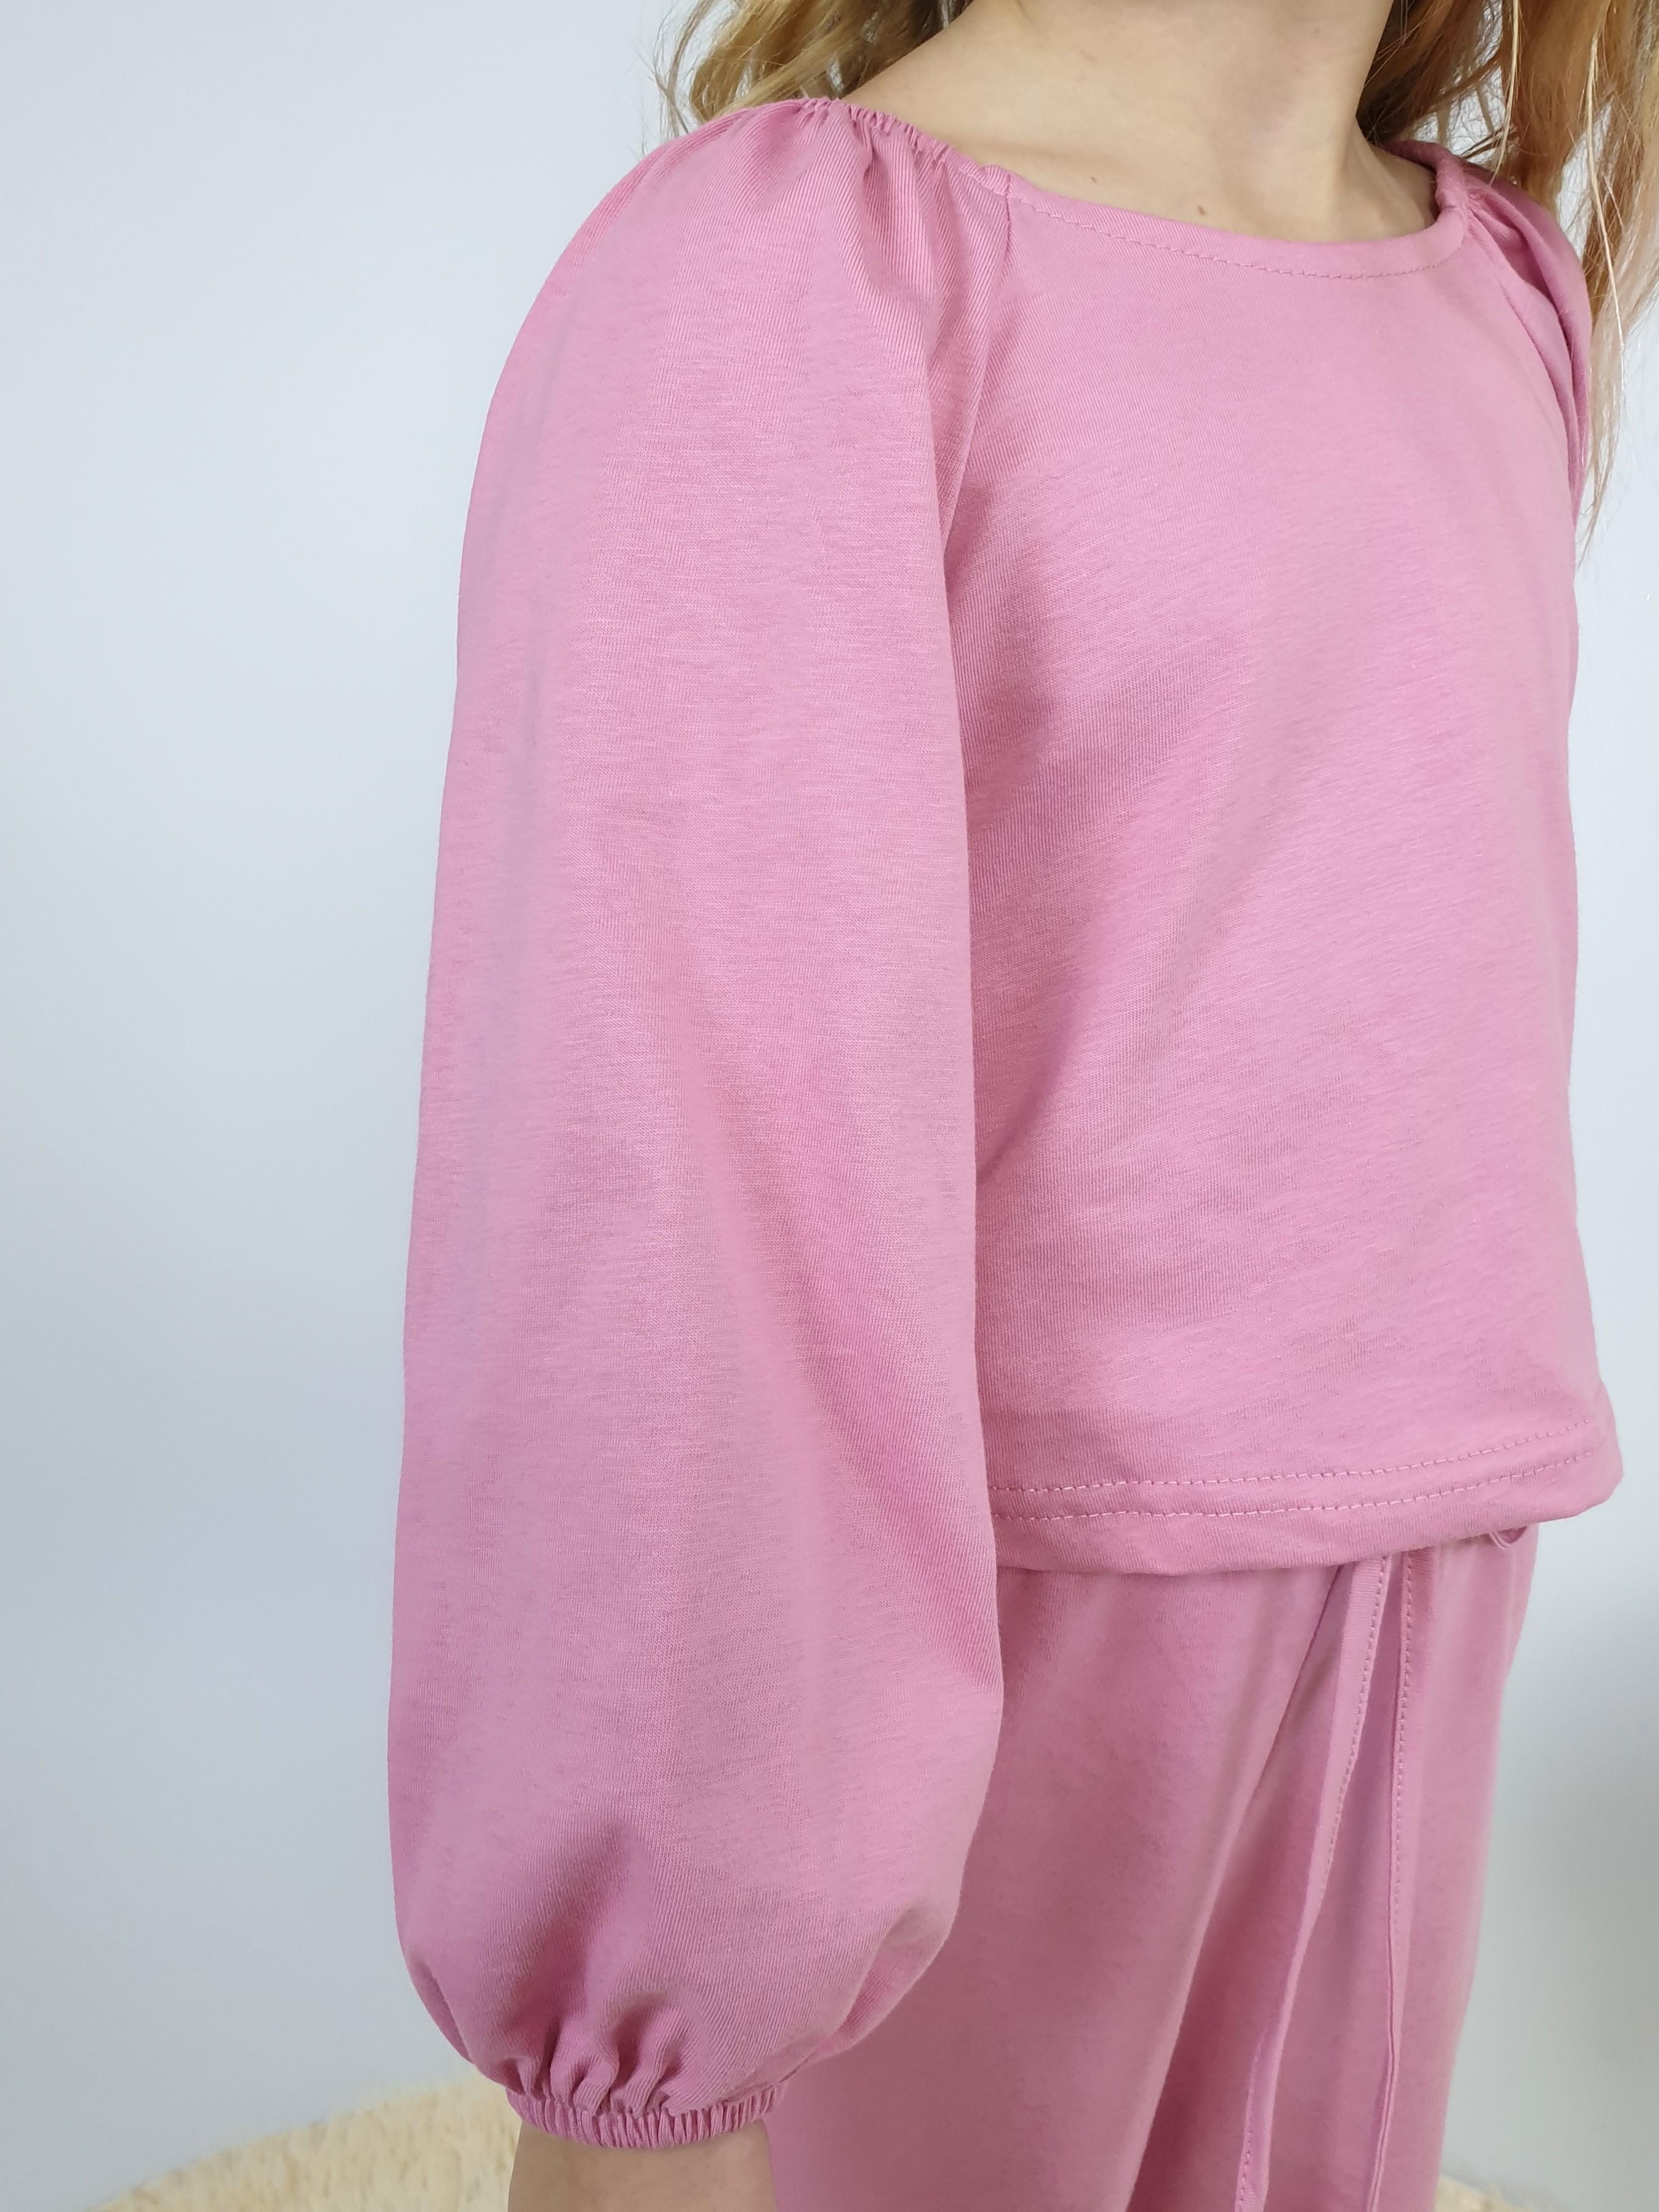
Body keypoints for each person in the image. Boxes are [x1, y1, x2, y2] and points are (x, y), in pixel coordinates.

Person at [385, 0, 1656, 2205]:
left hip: (1430, 1561)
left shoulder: (1492, 290)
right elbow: (675, 1183)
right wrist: (648, 2060)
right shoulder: (810, 274)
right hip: (970, 1654)